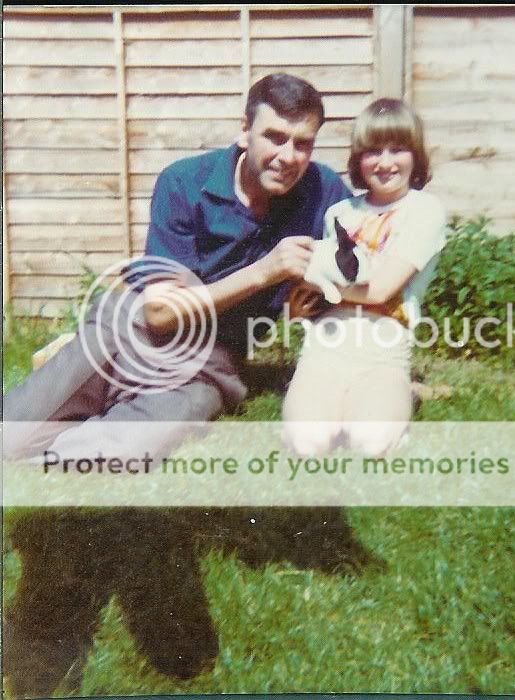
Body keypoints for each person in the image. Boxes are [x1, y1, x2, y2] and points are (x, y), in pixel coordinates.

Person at [4, 73, 351, 462]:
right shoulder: (184, 183)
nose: (288, 157)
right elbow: (159, 313)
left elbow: (370, 253)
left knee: (115, 453)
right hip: (130, 331)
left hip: (209, 365)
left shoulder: (323, 190)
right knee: (10, 438)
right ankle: (90, 398)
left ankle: (87, 426)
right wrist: (264, 273)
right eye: (274, 137)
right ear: (244, 131)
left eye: (302, 143)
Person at [283, 98, 447, 457]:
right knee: (307, 444)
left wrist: (320, 285)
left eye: (398, 150)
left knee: (369, 444)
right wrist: (302, 304)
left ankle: (390, 398)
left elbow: (381, 291)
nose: (385, 162)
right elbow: (320, 286)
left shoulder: (425, 211)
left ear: (415, 156)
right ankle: (331, 406)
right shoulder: (340, 212)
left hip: (382, 352)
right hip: (326, 347)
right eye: (373, 151)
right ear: (358, 158)